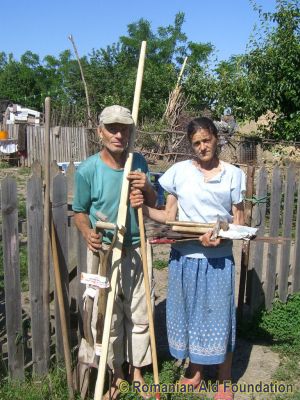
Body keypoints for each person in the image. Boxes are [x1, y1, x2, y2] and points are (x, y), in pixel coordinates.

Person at [131, 117, 245, 400]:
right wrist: (144, 208)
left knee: (220, 318)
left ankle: (224, 379)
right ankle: (195, 373)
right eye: (196, 143)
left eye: (207, 140)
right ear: (190, 145)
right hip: (183, 257)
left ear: (216, 138)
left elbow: (240, 220)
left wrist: (223, 234)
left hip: (217, 260)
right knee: (191, 317)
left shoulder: (232, 174)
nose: (202, 147)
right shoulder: (179, 172)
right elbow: (169, 218)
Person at [72, 105, 157, 399]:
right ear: (100, 132)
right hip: (104, 252)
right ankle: (116, 374)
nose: (118, 134)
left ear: (131, 132)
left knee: (140, 312)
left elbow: (154, 201)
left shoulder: (139, 163)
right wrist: (87, 232)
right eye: (112, 128)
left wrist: (145, 188)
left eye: (124, 128)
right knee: (107, 315)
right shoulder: (88, 170)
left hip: (136, 246)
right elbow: (79, 212)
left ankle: (137, 371)